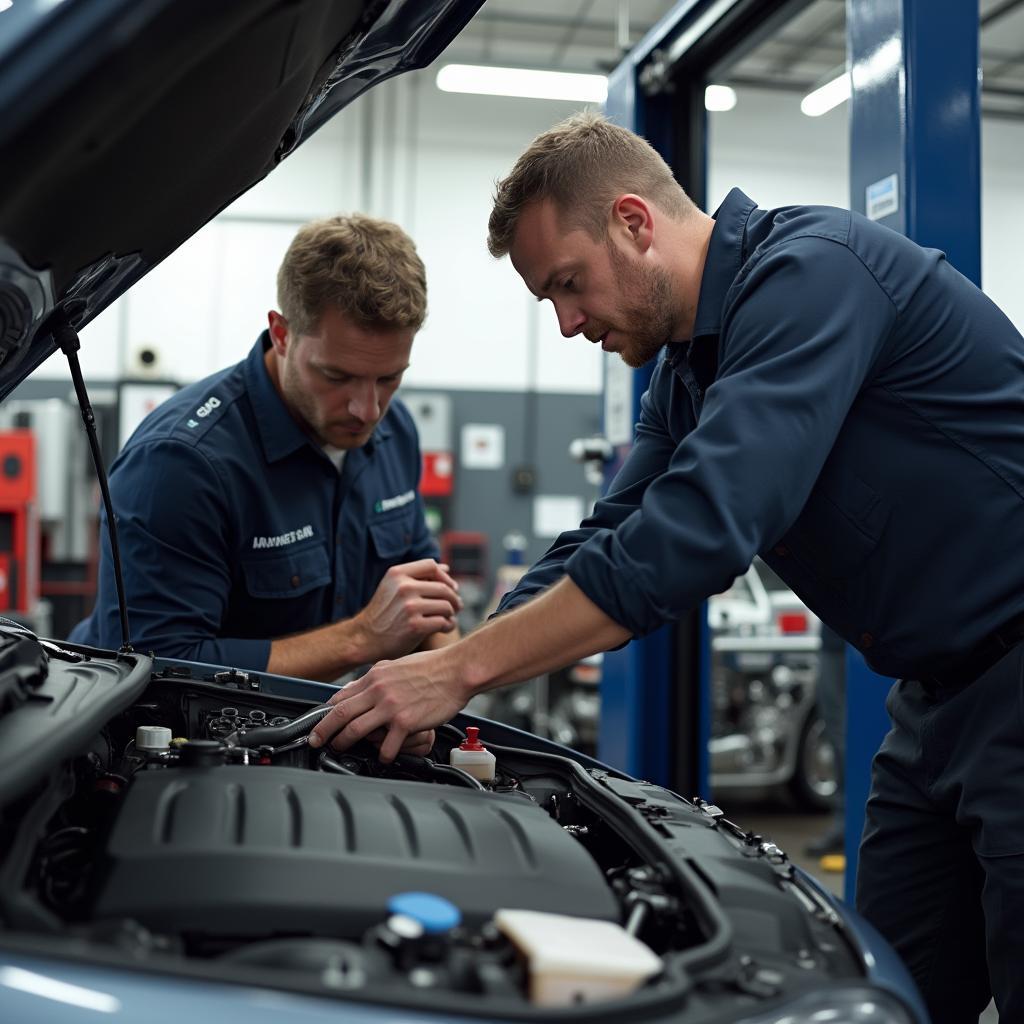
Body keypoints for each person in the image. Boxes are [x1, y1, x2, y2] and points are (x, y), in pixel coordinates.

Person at [309, 113, 1024, 1021]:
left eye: (569, 285)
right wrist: (452, 679)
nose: (567, 324)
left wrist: (454, 670)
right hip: (935, 702)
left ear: (636, 222)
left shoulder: (815, 275)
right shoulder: (685, 377)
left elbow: (701, 527)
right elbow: (607, 535)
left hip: (1015, 675)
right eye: (548, 302)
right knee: (881, 991)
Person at [70, 214, 461, 691]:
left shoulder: (395, 430)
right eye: (336, 377)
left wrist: (444, 687)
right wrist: (360, 640)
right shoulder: (182, 464)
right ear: (281, 332)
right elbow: (156, 665)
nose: (367, 409)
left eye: (389, 378)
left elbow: (425, 599)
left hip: (323, 734)